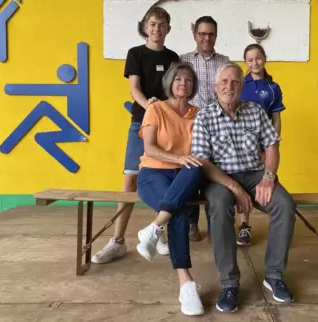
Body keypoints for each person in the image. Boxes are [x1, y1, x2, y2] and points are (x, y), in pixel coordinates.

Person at [191, 63, 296, 312]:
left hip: (255, 174)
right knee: (219, 205)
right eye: (225, 82)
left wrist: (269, 176)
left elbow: (271, 145)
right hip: (219, 178)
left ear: (242, 86)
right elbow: (203, 162)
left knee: (284, 204)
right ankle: (229, 283)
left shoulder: (256, 111)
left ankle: (274, 275)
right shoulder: (204, 116)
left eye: (235, 82)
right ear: (216, 87)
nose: (230, 86)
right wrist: (235, 189)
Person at [92, 6, 180, 264]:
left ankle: (159, 231)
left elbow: (174, 93)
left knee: (165, 178)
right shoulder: (136, 54)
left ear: (168, 29)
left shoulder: (174, 57)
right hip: (140, 124)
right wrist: (150, 107)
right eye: (152, 24)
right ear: (145, 27)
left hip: (166, 126)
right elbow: (135, 89)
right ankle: (117, 241)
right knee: (130, 180)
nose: (157, 29)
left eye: (162, 25)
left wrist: (165, 110)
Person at [136, 62, 205, 316]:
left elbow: (201, 152)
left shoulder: (199, 113)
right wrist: (178, 158)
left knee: (196, 167)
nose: (183, 84)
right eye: (178, 79)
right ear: (170, 83)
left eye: (188, 80)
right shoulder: (156, 108)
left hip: (184, 177)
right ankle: (185, 282)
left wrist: (185, 162)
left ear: (193, 85)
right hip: (153, 173)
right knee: (179, 210)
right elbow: (150, 148)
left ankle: (154, 228)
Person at [179, 15, 231, 243]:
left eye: (210, 34)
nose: (206, 38)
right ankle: (192, 224)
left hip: (218, 127)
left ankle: (214, 225)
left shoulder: (225, 62)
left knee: (215, 175)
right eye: (202, 34)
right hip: (189, 125)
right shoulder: (183, 61)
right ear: (195, 35)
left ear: (216, 36)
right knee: (191, 173)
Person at [235, 43, 286, 247]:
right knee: (242, 186)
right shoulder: (240, 85)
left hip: (264, 146)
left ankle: (279, 225)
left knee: (266, 182)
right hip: (242, 146)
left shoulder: (273, 88)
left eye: (258, 58)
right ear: (245, 63)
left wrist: (271, 144)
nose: (254, 62)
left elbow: (276, 118)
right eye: (250, 60)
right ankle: (244, 226)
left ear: (264, 58)